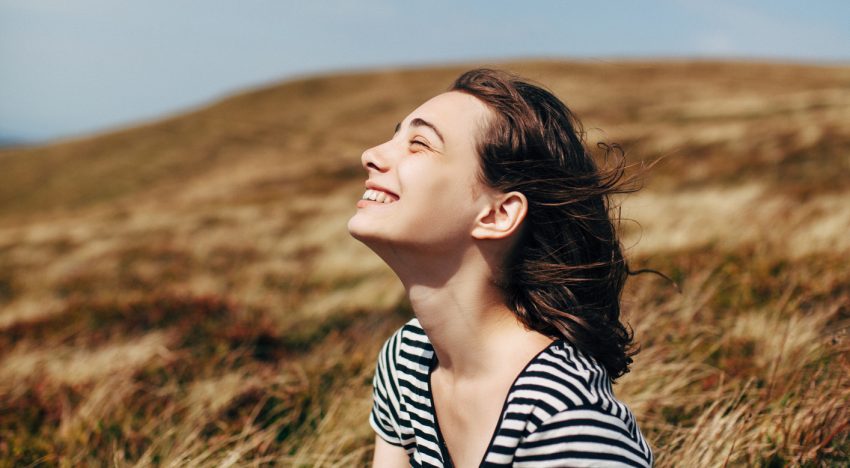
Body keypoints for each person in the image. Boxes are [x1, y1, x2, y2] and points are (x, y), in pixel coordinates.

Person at [347, 68, 653, 467]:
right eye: (395, 136)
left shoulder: (565, 421)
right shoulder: (408, 358)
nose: (370, 154)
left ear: (498, 214)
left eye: (419, 143)